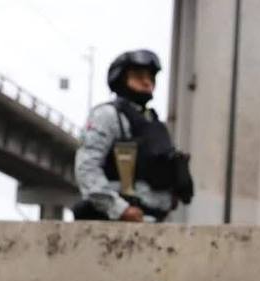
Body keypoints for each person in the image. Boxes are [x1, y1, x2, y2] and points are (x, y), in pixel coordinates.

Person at [72, 49, 194, 222]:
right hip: (115, 221)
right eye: (138, 76)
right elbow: (87, 169)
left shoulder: (154, 122)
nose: (147, 82)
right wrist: (119, 209)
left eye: (151, 78)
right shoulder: (107, 115)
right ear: (121, 79)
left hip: (155, 220)